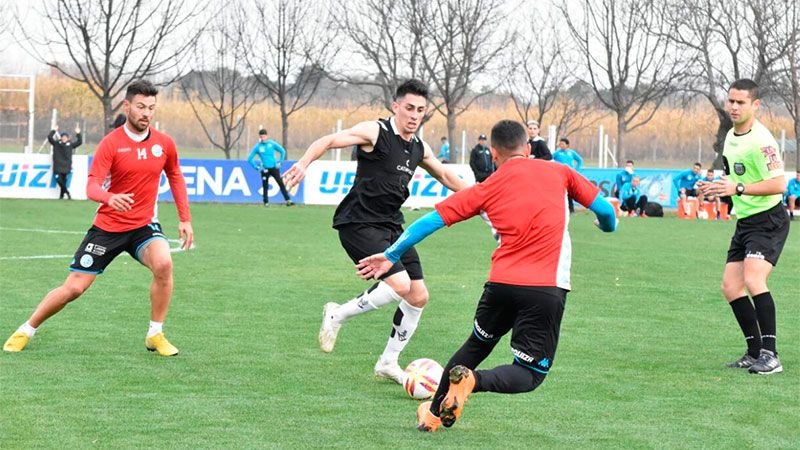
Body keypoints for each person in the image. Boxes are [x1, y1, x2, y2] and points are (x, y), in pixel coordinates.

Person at [355, 120, 617, 432]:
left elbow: (431, 221)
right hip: (545, 287)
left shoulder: (486, 187)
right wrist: (608, 226)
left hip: (500, 286)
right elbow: (606, 211)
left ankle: (433, 416)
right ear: (528, 148)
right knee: (530, 373)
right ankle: (472, 381)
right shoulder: (560, 171)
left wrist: (391, 254)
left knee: (475, 346)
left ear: (493, 153)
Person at [282, 79, 469, 384]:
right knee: (400, 284)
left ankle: (387, 362)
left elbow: (446, 175)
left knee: (418, 296)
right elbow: (328, 140)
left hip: (392, 226)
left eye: (420, 110)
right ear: (396, 106)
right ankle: (337, 314)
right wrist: (304, 163)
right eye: (409, 108)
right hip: (358, 223)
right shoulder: (375, 132)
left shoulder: (419, 147)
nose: (414, 115)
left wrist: (483, 196)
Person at [3, 80, 194, 356]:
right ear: (127, 106)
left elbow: (175, 175)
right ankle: (26, 329)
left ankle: (155, 333)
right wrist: (109, 198)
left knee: (164, 263)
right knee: (74, 288)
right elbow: (91, 186)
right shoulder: (111, 143)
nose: (146, 113)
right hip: (108, 228)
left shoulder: (164, 144)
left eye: (151, 108)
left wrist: (184, 219)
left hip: (143, 226)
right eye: (141, 107)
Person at [697, 78, 789, 375]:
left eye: (741, 102)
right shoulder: (731, 136)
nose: (734, 107)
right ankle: (754, 352)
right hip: (746, 221)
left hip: (769, 219)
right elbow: (733, 179)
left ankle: (771, 355)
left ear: (755, 105)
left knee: (753, 279)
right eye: (731, 101)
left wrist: (738, 188)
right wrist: (714, 187)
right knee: (730, 286)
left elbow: (779, 184)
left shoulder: (762, 140)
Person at [247, 129, 293, 206]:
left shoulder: (271, 144)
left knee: (280, 183)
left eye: (263, 136)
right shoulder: (258, 147)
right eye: (261, 137)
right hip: (265, 169)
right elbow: (250, 158)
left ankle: (288, 200)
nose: (262, 138)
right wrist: (257, 167)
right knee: (265, 186)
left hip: (274, 167)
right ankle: (266, 202)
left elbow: (282, 151)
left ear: (266, 136)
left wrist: (280, 162)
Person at [47, 124, 83, 200]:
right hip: (57, 166)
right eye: (62, 137)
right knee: (59, 181)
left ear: (68, 138)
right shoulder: (56, 144)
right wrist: (54, 130)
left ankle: (61, 196)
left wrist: (78, 133)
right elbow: (50, 138)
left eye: (65, 137)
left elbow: (79, 142)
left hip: (66, 167)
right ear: (61, 138)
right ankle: (67, 192)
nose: (64, 138)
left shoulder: (70, 145)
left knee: (63, 182)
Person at [552, 137, 583, 212]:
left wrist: (576, 170)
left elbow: (580, 160)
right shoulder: (557, 153)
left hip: (569, 175)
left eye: (562, 144)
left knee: (569, 191)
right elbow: (549, 158)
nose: (561, 145)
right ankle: (559, 208)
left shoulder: (571, 153)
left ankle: (571, 209)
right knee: (560, 191)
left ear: (567, 145)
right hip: (559, 175)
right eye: (560, 144)